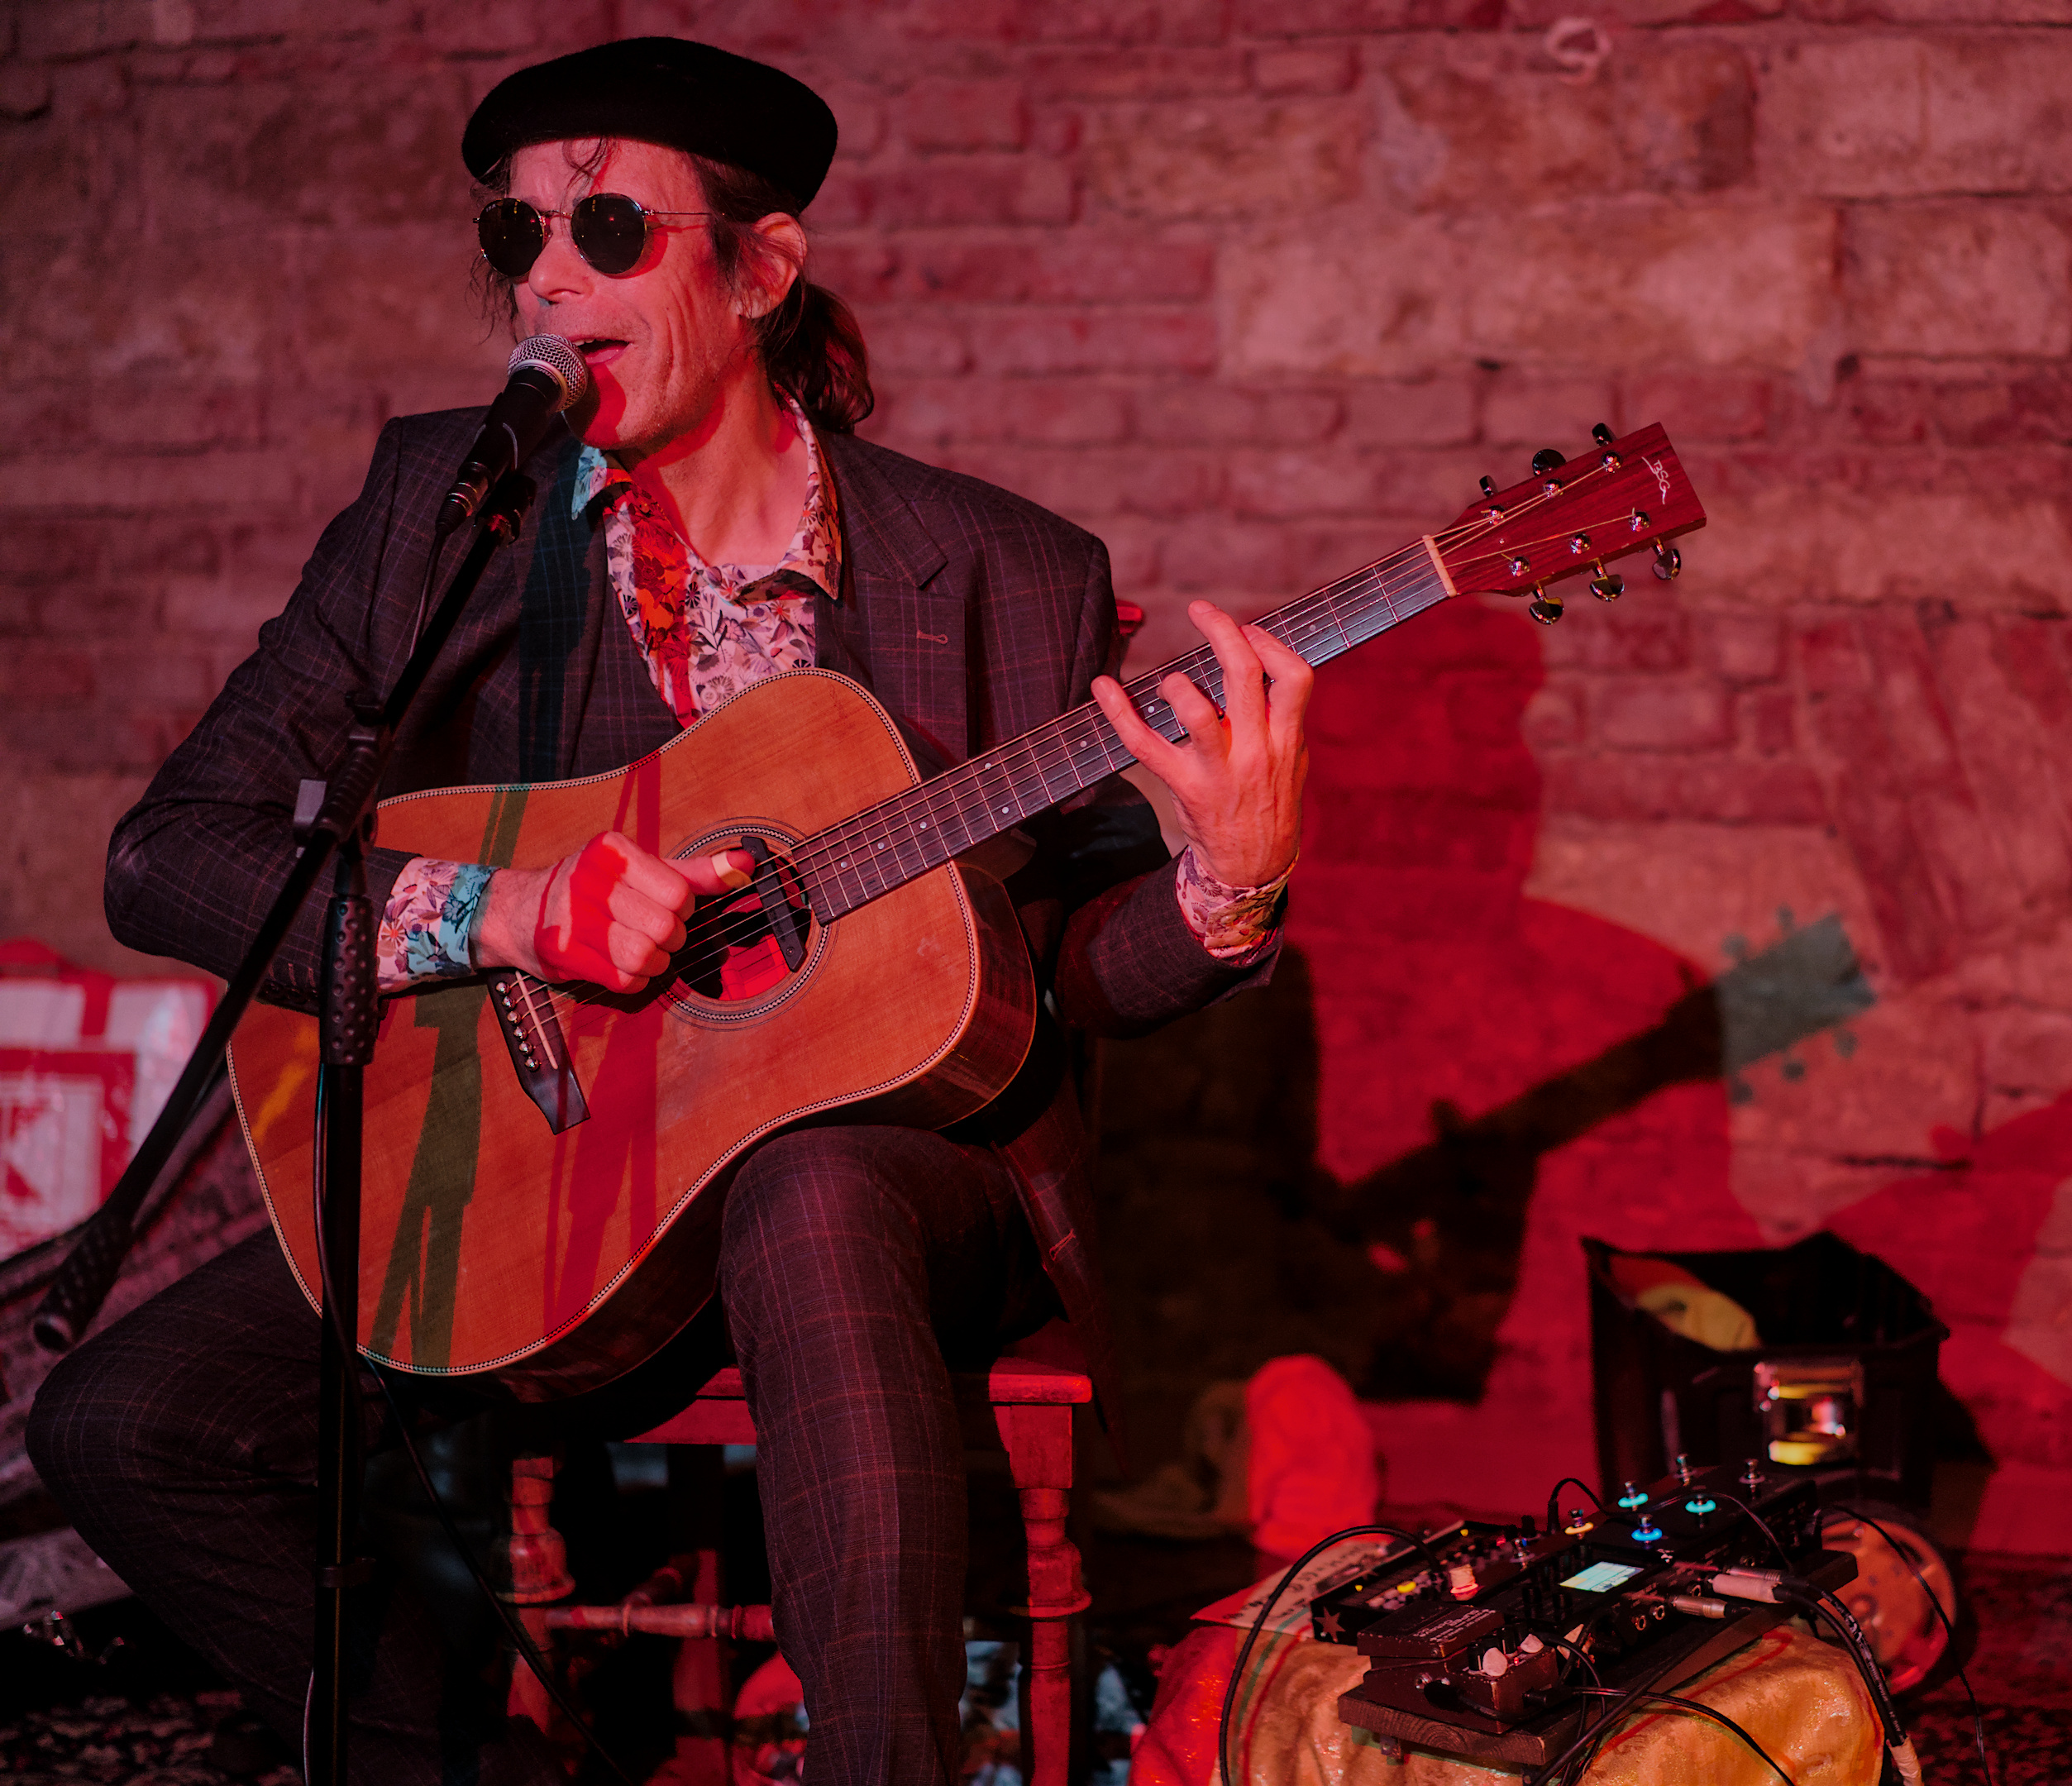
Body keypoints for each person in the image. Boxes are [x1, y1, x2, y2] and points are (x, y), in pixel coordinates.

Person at [27, 36, 1311, 1786]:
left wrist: (1230, 882)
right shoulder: (445, 515)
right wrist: (502, 911)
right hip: (544, 1181)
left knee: (811, 1187)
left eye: (612, 229)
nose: (550, 279)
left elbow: (1074, 971)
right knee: (122, 1419)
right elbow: (170, 853)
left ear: (762, 270)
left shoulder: (1005, 571)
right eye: (520, 236)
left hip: (900, 1190)